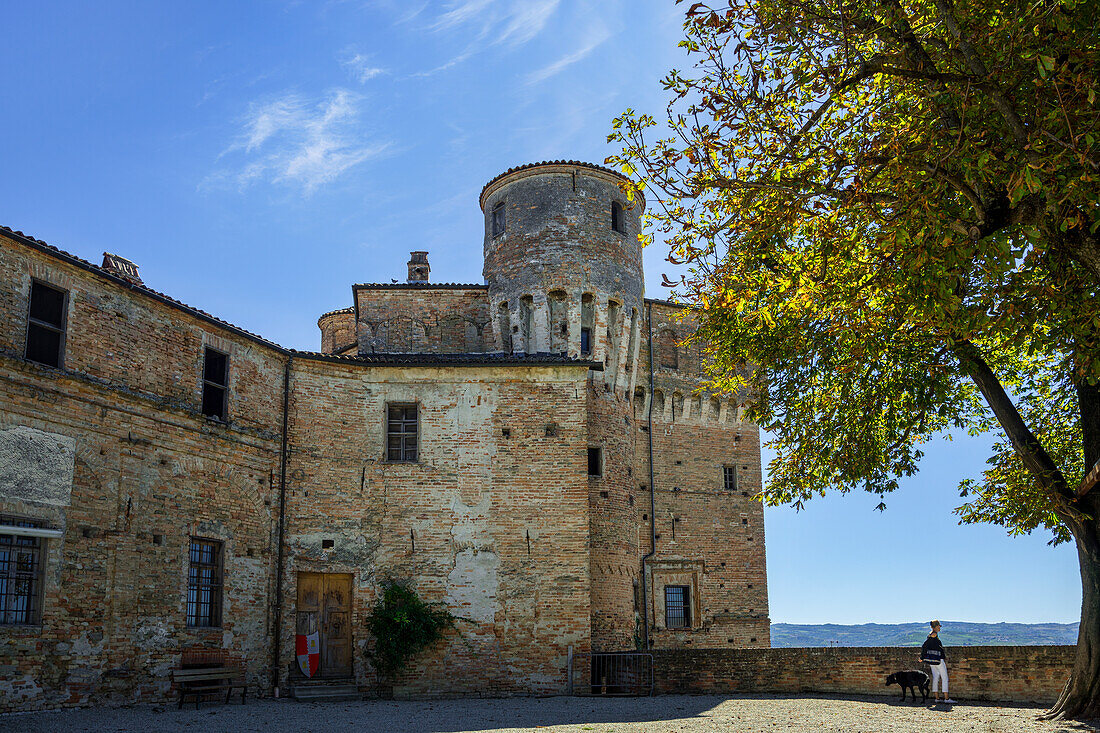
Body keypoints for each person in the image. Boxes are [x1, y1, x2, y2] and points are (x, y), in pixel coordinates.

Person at [920, 619, 956, 704]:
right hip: (938, 660)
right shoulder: (934, 634)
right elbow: (925, 645)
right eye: (939, 626)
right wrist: (922, 656)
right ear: (936, 626)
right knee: (944, 678)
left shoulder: (930, 634)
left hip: (932, 660)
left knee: (936, 678)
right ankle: (946, 699)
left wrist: (923, 657)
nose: (940, 627)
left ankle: (937, 698)